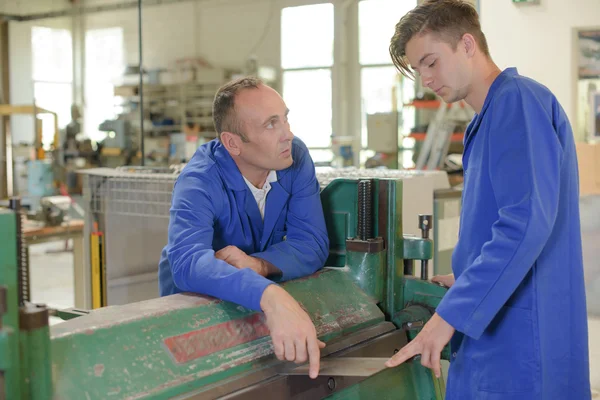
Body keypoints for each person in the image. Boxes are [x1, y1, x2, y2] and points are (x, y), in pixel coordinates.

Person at [385, 1, 591, 399]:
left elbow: (526, 221)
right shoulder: (489, 116)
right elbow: (502, 224)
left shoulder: (517, 101)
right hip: (501, 324)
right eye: (418, 69)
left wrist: (449, 315)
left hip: (519, 339)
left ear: (466, 44)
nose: (425, 78)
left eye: (430, 62)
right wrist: (464, 277)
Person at [158, 76, 330, 379]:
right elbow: (187, 263)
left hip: (252, 293)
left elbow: (311, 243)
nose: (287, 134)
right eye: (270, 124)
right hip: (197, 306)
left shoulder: (295, 158)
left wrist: (259, 265)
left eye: (286, 119)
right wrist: (271, 297)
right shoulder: (199, 180)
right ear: (232, 143)